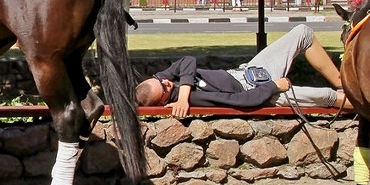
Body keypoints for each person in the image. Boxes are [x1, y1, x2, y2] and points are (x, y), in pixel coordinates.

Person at [135, 24, 350, 117]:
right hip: (264, 92)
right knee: (327, 96)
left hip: (250, 70)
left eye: (160, 79)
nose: (166, 81)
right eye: (164, 87)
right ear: (163, 102)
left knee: (303, 33)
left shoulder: (170, 82)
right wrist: (274, 86)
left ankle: (345, 83)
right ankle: (367, 103)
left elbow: (188, 60)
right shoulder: (196, 99)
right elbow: (240, 101)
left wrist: (181, 92)